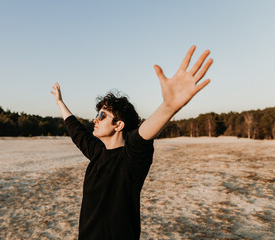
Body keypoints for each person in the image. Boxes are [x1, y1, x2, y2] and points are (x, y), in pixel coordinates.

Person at [51, 45, 213, 240]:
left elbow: (142, 136)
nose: (95, 119)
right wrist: (60, 102)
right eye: (97, 114)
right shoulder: (97, 152)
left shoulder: (131, 159)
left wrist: (168, 107)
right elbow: (76, 131)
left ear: (119, 125)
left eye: (102, 115)